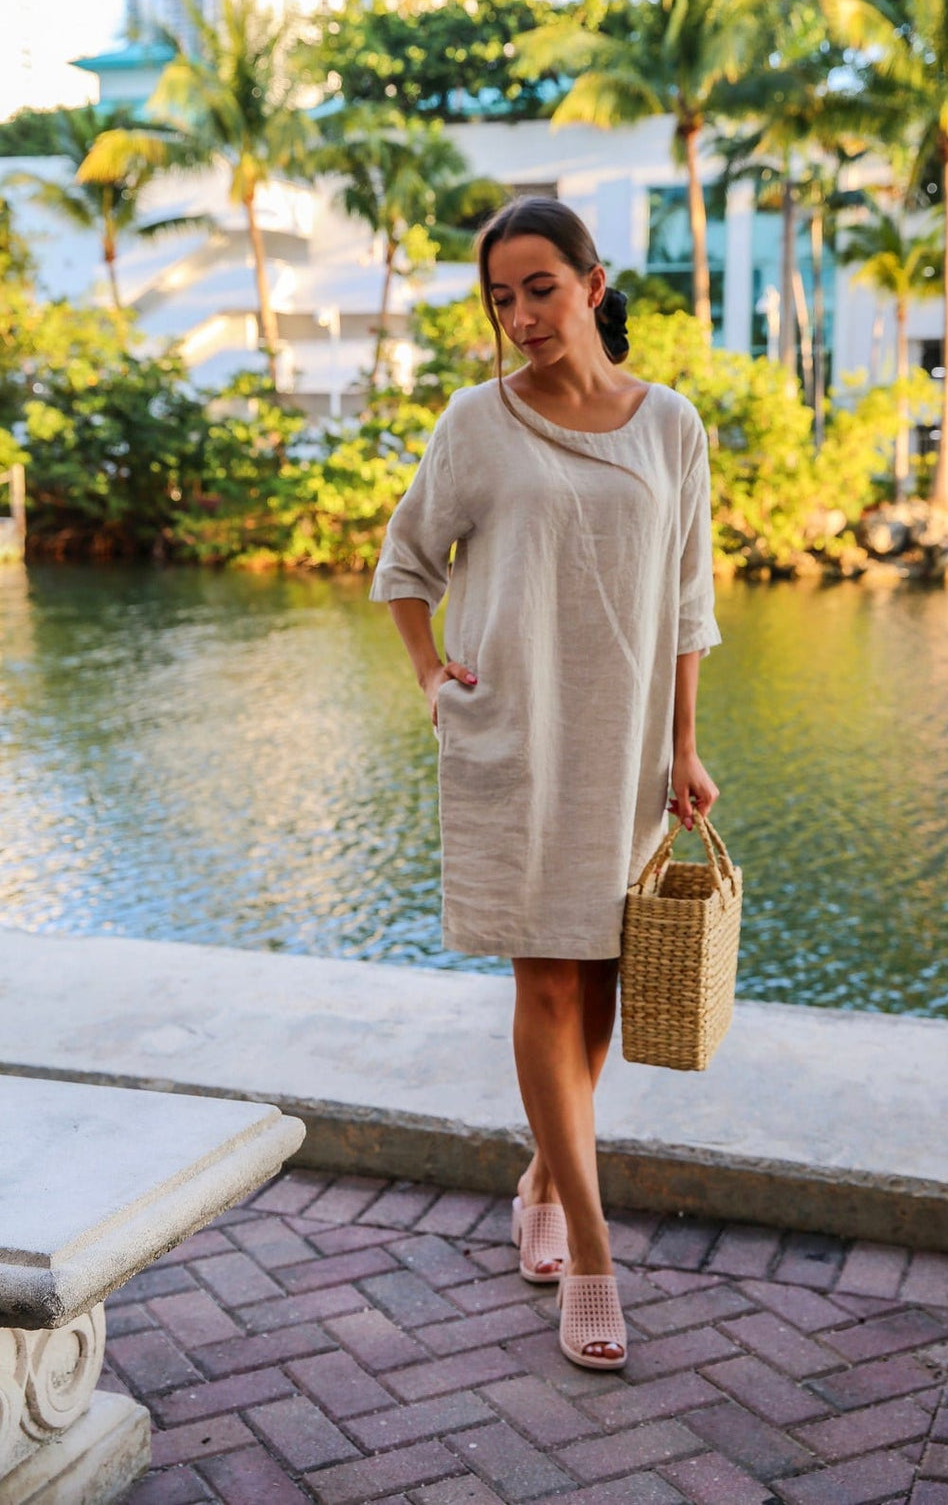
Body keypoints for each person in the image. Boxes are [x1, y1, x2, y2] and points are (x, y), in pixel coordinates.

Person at [369, 196, 721, 1370]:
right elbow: (406, 558)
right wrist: (431, 678)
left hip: (624, 747)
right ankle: (593, 1245)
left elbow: (686, 602)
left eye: (541, 288)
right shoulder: (476, 424)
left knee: (608, 987)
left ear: (593, 282)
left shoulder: (670, 425)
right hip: (514, 736)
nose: (520, 316)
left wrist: (683, 746)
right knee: (550, 986)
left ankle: (539, 1174)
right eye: (501, 296)